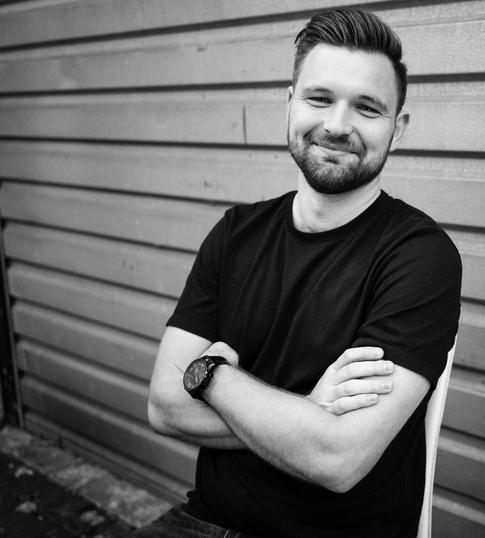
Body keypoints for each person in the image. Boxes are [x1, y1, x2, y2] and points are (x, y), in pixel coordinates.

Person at [136, 8, 461, 537]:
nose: (337, 125)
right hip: (205, 521)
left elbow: (337, 459)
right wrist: (306, 412)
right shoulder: (236, 233)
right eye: (319, 98)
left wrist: (211, 376)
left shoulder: (419, 257)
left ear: (397, 129)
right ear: (289, 103)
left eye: (367, 107)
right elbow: (163, 406)